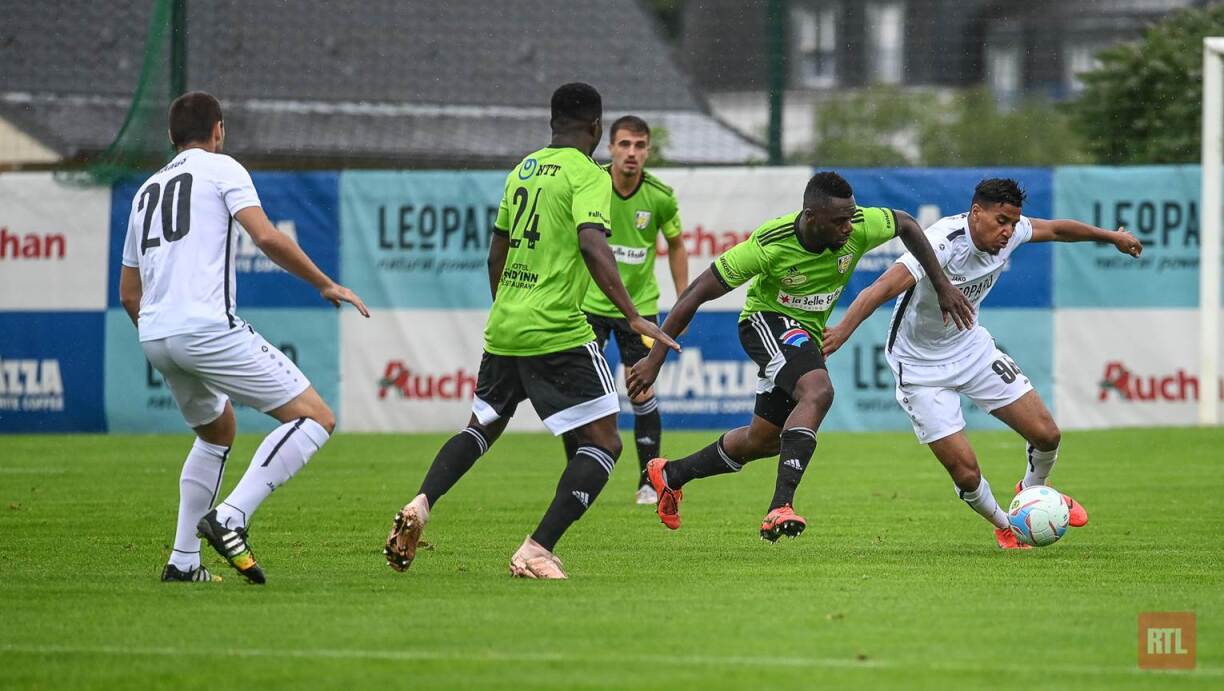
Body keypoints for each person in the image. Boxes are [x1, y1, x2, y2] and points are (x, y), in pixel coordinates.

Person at [383, 83, 679, 579]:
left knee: (481, 426)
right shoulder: (588, 175)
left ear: (551, 124)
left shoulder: (522, 169)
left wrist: (507, 306)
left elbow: (495, 251)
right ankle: (537, 549)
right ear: (596, 129)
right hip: (556, 327)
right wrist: (630, 312)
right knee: (606, 442)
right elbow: (592, 243)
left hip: (505, 325)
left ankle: (421, 502)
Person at [626, 171, 974, 540]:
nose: (848, 228)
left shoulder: (858, 226)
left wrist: (941, 284)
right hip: (765, 322)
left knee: (765, 440)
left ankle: (671, 474)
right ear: (811, 217)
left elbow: (906, 223)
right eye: (839, 221)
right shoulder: (770, 243)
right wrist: (655, 360)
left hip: (803, 335)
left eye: (851, 218)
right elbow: (695, 293)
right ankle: (780, 507)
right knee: (818, 390)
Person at [118, 91, 369, 584]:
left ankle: (184, 561)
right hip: (206, 329)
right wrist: (325, 283)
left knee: (217, 431)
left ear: (171, 138)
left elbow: (129, 293)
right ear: (218, 131)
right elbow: (267, 237)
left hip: (155, 335)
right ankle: (232, 515)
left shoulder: (145, 191)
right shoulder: (222, 168)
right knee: (316, 417)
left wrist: (163, 338)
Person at [821, 178, 1143, 549]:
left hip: (972, 350)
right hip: (920, 368)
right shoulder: (943, 240)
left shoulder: (1014, 230)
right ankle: (1008, 525)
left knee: (1047, 434)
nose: (1008, 232)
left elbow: (1056, 229)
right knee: (966, 471)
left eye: (1012, 223)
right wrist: (844, 330)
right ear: (977, 213)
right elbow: (880, 288)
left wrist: (1112, 237)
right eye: (1000, 221)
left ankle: (1032, 493)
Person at [574, 115, 688, 505]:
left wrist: (683, 297)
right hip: (589, 305)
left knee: (641, 390)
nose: (632, 153)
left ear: (648, 151)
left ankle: (646, 481)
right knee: (582, 390)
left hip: (639, 308)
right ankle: (579, 472)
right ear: (610, 147)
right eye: (624, 144)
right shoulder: (594, 186)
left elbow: (675, 244)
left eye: (640, 146)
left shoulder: (659, 196)